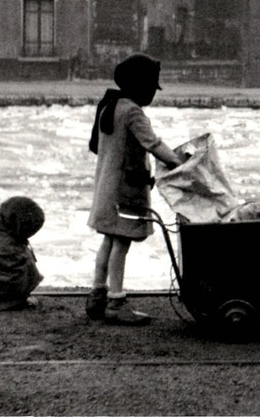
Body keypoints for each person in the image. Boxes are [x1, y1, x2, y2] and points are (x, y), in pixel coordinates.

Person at [86, 52, 187, 326]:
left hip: (106, 186)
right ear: (141, 86)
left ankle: (97, 295)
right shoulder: (132, 111)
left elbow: (96, 146)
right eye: (151, 88)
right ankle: (117, 302)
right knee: (122, 242)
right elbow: (152, 144)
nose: (152, 94)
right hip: (125, 190)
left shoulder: (108, 105)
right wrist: (178, 162)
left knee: (107, 240)